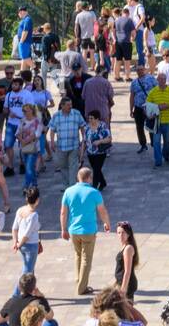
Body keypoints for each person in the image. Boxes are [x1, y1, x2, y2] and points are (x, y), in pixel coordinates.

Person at [60, 166, 111, 296]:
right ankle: (82, 287)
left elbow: (63, 213)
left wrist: (63, 229)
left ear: (78, 177)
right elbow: (102, 211)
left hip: (73, 230)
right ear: (89, 178)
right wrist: (106, 223)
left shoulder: (68, 192)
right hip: (88, 231)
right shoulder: (94, 193)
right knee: (86, 259)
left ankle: (79, 281)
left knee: (78, 256)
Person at [48, 97, 86, 189]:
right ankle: (66, 185)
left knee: (73, 166)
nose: (70, 106)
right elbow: (52, 129)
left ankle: (72, 186)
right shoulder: (56, 116)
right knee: (63, 166)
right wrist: (52, 142)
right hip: (61, 146)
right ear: (62, 106)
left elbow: (82, 126)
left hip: (74, 145)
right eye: (68, 105)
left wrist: (83, 140)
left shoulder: (76, 114)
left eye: (71, 104)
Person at [12, 185, 43, 278]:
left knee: (30, 270)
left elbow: (14, 228)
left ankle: (31, 290)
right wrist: (18, 245)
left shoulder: (20, 210)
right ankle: (16, 292)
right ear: (37, 200)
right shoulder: (34, 215)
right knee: (27, 273)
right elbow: (27, 234)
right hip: (31, 245)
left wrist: (15, 242)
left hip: (23, 246)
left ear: (26, 198)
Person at [148, 75, 169, 165]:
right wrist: (156, 109)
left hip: (168, 121)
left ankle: (166, 156)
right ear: (157, 80)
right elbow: (147, 105)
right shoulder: (153, 92)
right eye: (160, 79)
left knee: (167, 143)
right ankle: (158, 161)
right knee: (156, 142)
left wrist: (167, 106)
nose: (162, 81)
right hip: (156, 122)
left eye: (164, 79)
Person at [130, 64, 156, 153]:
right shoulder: (134, 82)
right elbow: (132, 96)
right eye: (138, 70)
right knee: (139, 127)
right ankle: (143, 144)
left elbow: (157, 90)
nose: (140, 71)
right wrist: (131, 109)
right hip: (138, 107)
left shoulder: (151, 79)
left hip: (149, 106)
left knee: (151, 125)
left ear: (144, 70)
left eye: (141, 69)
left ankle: (153, 142)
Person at [83, 110, 112, 191]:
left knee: (96, 170)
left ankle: (94, 187)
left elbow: (109, 139)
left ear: (97, 119)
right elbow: (84, 141)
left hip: (100, 152)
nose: (90, 120)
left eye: (92, 118)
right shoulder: (87, 127)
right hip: (90, 153)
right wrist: (81, 154)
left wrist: (99, 141)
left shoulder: (103, 126)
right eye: (89, 118)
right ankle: (103, 182)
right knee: (97, 169)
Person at [17, 103, 42, 186]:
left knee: (28, 168)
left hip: (33, 148)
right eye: (23, 111)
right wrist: (22, 140)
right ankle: (34, 184)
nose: (25, 112)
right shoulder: (22, 121)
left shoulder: (37, 121)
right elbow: (17, 133)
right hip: (24, 148)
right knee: (30, 168)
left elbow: (37, 134)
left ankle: (26, 186)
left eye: (27, 110)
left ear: (32, 110)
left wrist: (25, 141)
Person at [115, 221, 140, 297]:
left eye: (123, 233)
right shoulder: (125, 246)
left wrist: (123, 289)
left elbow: (127, 271)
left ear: (128, 234)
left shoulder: (128, 248)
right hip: (121, 282)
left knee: (127, 308)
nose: (121, 235)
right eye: (119, 233)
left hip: (127, 285)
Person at [112, 7, 135, 83]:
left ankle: (116, 76)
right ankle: (127, 77)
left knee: (118, 60)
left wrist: (115, 39)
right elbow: (133, 33)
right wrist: (132, 38)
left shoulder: (116, 20)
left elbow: (113, 31)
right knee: (127, 61)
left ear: (122, 13)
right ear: (128, 13)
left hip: (118, 42)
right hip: (126, 42)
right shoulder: (129, 20)